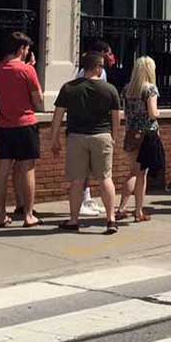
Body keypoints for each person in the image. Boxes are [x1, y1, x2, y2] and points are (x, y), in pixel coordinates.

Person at [52, 51, 123, 231]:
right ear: (98, 68)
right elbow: (116, 118)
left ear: (84, 68)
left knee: (77, 180)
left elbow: (58, 115)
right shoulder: (110, 90)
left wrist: (54, 138)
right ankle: (111, 219)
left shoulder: (69, 88)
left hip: (77, 137)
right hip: (102, 136)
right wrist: (114, 137)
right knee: (105, 178)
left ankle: (74, 220)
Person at [0, 32, 44, 228]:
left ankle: (0, 214)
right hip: (25, 124)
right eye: (27, 49)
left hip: (3, 125)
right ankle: (28, 215)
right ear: (21, 48)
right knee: (27, 169)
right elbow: (38, 101)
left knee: (3, 170)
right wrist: (30, 69)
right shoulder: (28, 71)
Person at [116, 56, 162, 222]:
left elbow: (126, 113)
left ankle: (121, 207)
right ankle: (138, 211)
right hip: (147, 134)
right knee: (141, 174)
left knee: (133, 172)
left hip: (131, 132)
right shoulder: (150, 89)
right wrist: (158, 113)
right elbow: (152, 112)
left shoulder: (128, 88)